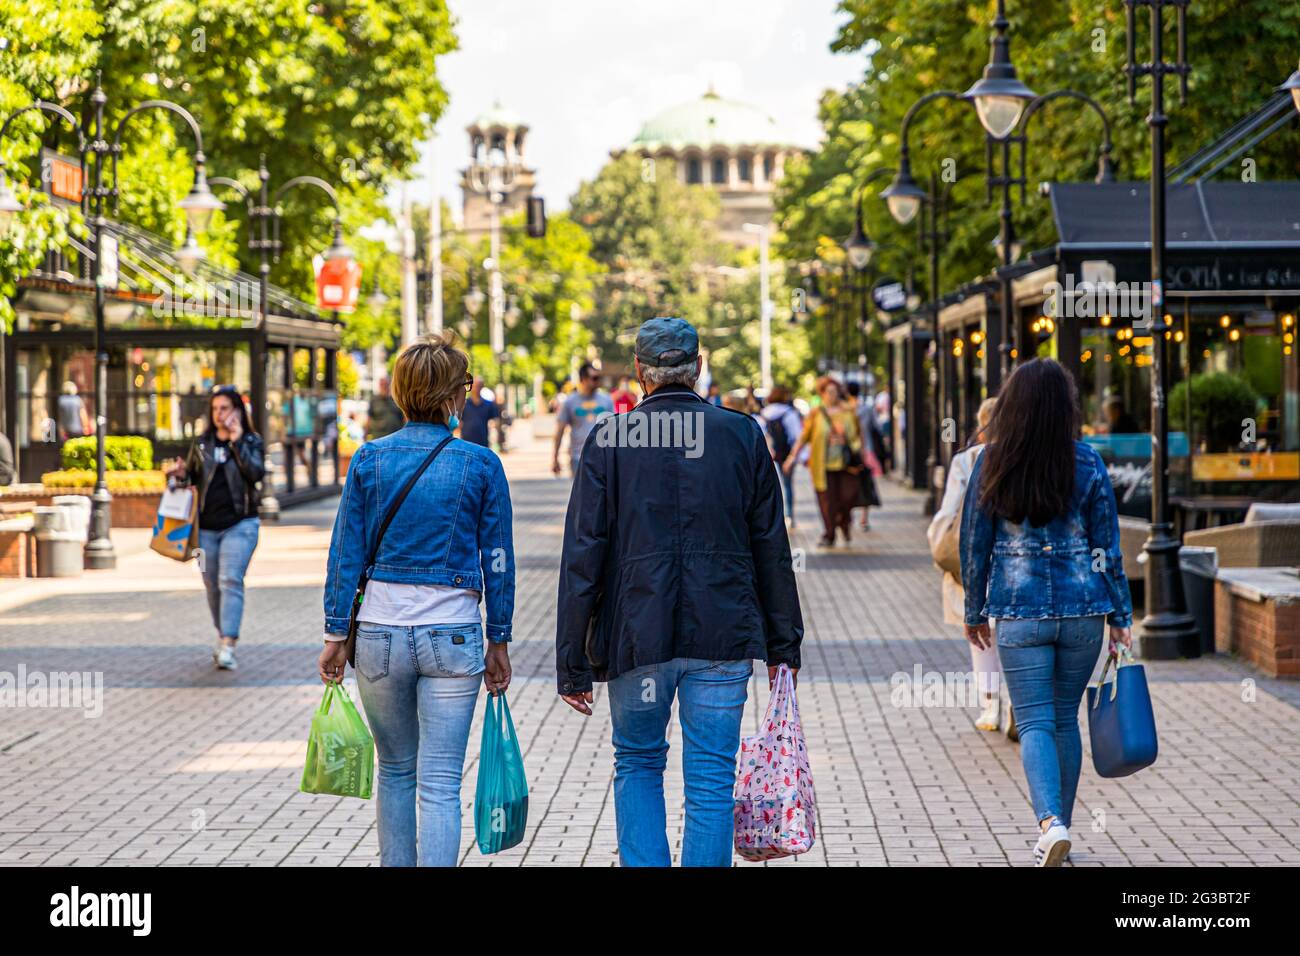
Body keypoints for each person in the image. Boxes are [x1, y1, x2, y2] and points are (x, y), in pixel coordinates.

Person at [555, 316, 803, 867]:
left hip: (636, 636)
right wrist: (784, 645)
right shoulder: (741, 435)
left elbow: (583, 557)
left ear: (640, 372)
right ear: (697, 367)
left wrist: (572, 659)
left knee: (639, 763)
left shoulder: (610, 439)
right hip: (723, 634)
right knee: (711, 779)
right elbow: (772, 548)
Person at [319, 333, 514, 867]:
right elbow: (498, 559)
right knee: (442, 783)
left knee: (396, 770)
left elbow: (344, 554)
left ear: (400, 394)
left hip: (379, 636)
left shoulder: (368, 460)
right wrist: (499, 637)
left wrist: (337, 634)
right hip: (453, 635)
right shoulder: (481, 465)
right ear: (456, 395)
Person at [961, 358, 1133, 867]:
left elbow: (974, 542)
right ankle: (1062, 827)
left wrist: (974, 607)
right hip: (1084, 613)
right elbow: (1109, 546)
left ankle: (1050, 824)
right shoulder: (1089, 463)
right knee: (1064, 720)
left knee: (1034, 722)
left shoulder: (991, 462)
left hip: (1020, 612)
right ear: (1066, 408)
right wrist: (1121, 614)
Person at [165, 385, 266, 671]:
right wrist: (180, 475)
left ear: (237, 410)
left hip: (241, 524)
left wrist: (237, 442)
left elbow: (256, 474)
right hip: (205, 529)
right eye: (216, 409)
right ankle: (223, 635)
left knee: (230, 579)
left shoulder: (251, 441)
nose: (220, 414)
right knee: (211, 584)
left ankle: (227, 642)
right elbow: (191, 481)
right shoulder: (202, 444)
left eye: (225, 408)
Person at [928, 397, 1002, 732]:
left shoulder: (970, 458)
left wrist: (937, 539)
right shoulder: (1032, 455)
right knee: (1009, 630)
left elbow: (949, 510)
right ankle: (1013, 699)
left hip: (975, 557)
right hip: (1013, 561)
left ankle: (992, 704)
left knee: (980, 630)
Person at [785, 376, 862, 548]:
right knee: (826, 501)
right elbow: (803, 437)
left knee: (847, 498)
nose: (832, 395)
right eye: (829, 392)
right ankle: (829, 533)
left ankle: (844, 522)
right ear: (822, 394)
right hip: (822, 465)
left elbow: (857, 436)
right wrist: (792, 458)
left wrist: (846, 441)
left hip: (845, 464)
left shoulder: (848, 412)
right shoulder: (816, 413)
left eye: (835, 392)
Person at [552, 363, 613, 477]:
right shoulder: (570, 402)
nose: (597, 381)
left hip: (602, 458)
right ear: (583, 379)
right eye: (594, 378)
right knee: (580, 494)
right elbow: (560, 430)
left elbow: (613, 430)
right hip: (578, 458)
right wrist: (555, 458)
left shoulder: (606, 400)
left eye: (598, 378)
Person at [759, 385, 802, 528]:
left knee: (770, 488)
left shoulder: (764, 413)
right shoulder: (790, 413)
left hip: (769, 455)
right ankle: (789, 516)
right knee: (788, 486)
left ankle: (774, 518)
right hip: (786, 455)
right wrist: (793, 458)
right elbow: (797, 436)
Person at [845, 381, 883, 531]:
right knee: (866, 483)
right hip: (866, 450)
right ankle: (864, 519)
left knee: (848, 484)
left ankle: (848, 517)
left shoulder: (845, 410)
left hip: (848, 452)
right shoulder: (867, 409)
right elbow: (877, 427)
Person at [458, 376, 501, 449]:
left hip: (483, 442)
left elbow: (496, 421)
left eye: (478, 386)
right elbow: (458, 422)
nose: (476, 388)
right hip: (466, 442)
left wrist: (496, 434)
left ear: (482, 387)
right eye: (474, 386)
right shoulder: (463, 404)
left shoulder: (489, 405)